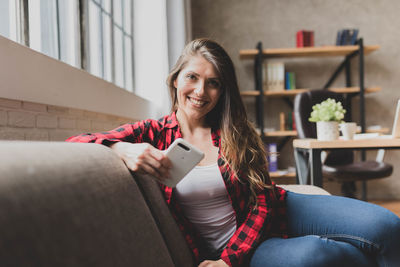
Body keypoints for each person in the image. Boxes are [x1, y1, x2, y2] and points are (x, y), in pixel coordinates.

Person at [66, 38, 400, 267]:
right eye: (192, 78)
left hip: (280, 209)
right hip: (247, 248)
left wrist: (230, 260)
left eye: (213, 82)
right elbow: (75, 143)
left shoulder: (235, 130)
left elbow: (265, 201)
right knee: (319, 255)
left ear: (223, 90)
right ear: (175, 81)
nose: (200, 91)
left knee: (386, 226)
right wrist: (122, 147)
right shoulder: (153, 134)